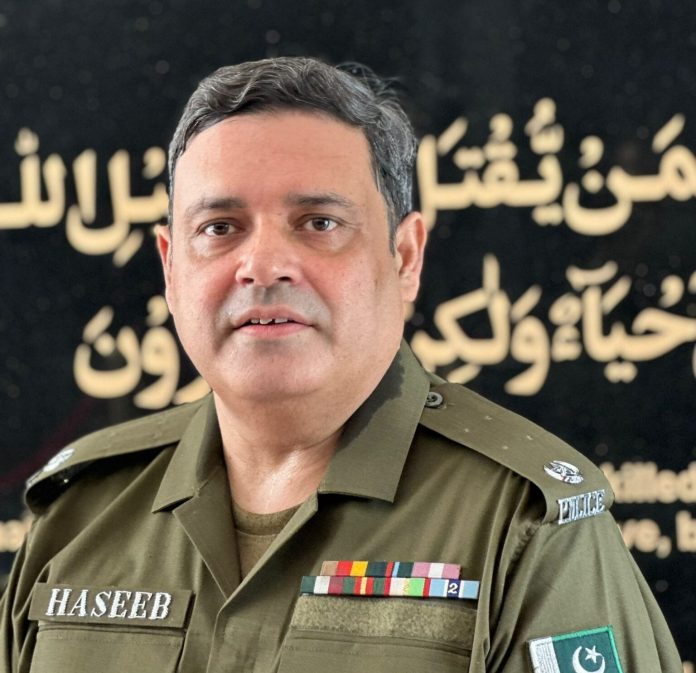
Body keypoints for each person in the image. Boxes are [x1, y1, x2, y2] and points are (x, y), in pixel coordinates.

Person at [0, 57, 682, 673]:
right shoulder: (78, 518)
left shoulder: (524, 526)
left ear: (405, 257)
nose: (263, 265)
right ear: (171, 269)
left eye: (318, 222)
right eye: (220, 228)